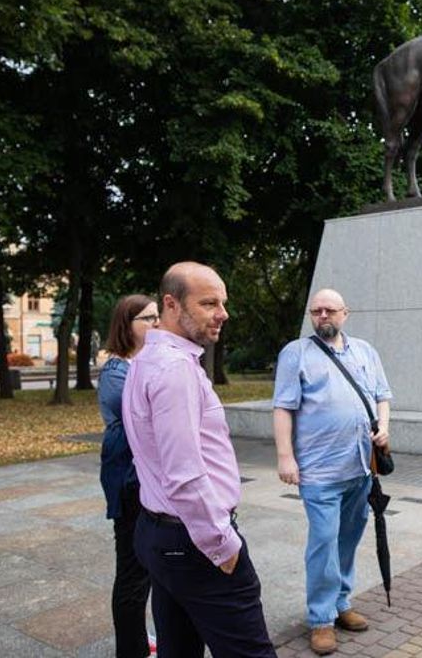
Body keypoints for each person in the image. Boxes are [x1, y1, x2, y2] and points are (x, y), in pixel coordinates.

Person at [122, 262, 275, 658]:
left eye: (223, 302)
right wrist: (223, 546)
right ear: (171, 305)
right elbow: (185, 477)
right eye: (209, 303)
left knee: (179, 650)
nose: (222, 313)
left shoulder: (147, 360)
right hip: (194, 542)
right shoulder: (174, 370)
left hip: (161, 534)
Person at [272, 289, 392, 656]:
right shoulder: (297, 353)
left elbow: (382, 395)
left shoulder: (365, 351)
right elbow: (283, 407)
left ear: (345, 313)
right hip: (320, 471)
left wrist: (384, 427)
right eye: (317, 311)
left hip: (360, 468)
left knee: (347, 540)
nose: (323, 316)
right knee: (323, 543)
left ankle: (341, 603)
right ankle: (320, 619)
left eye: (330, 310)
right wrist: (285, 456)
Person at [98, 294, 159, 658]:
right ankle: (131, 651)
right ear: (126, 325)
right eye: (146, 318)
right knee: (133, 572)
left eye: (156, 317)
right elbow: (148, 416)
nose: (155, 323)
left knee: (147, 569)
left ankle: (140, 640)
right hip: (129, 482)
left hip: (146, 479)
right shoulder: (116, 371)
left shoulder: (141, 365)